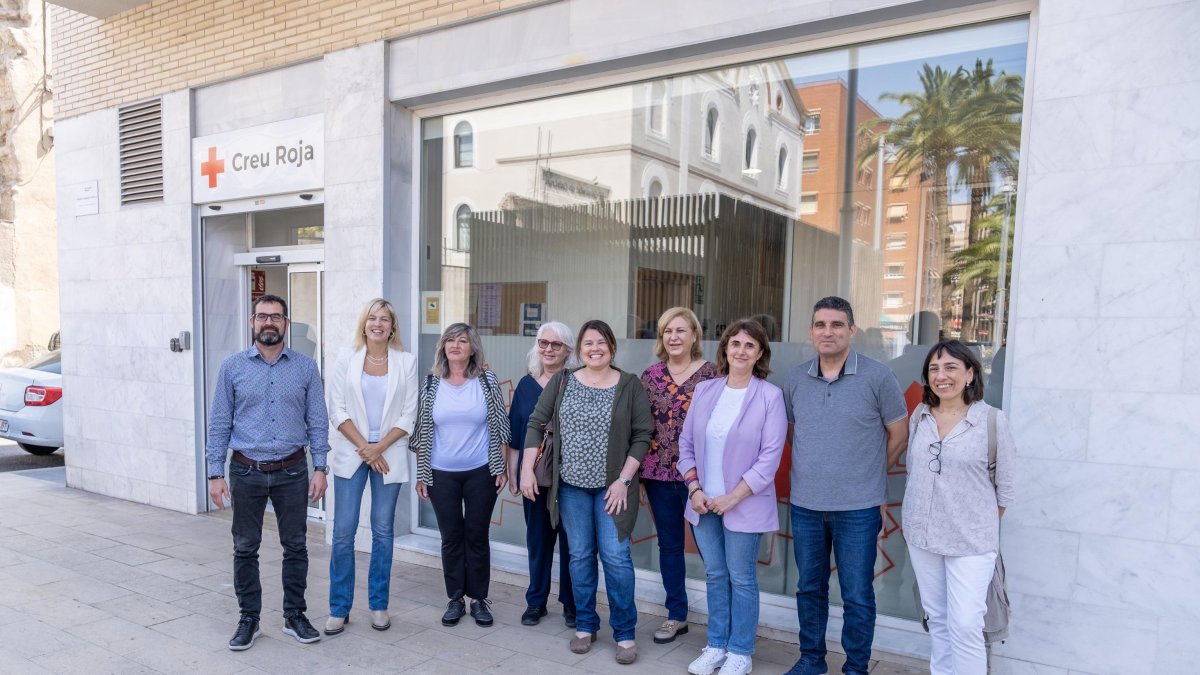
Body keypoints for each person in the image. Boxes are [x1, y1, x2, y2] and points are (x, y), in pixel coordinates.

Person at [783, 296, 908, 675]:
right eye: (820, 325)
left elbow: (899, 434)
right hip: (806, 506)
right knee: (809, 588)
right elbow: (793, 433)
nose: (828, 332)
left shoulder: (878, 377)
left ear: (852, 330)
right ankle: (811, 660)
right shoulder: (795, 379)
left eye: (837, 324)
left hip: (858, 508)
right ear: (811, 331)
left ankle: (856, 668)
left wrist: (868, 474)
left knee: (857, 594)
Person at [521, 319, 653, 665]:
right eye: (588, 343)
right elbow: (536, 422)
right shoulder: (564, 381)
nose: (595, 349)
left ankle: (624, 632)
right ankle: (585, 624)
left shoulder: (629, 385)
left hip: (613, 490)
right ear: (579, 350)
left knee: (616, 558)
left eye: (601, 342)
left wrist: (624, 480)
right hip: (571, 489)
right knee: (579, 556)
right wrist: (526, 469)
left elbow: (643, 434)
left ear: (612, 347)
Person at [206, 294, 330, 651]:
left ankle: (295, 615)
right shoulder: (232, 367)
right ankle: (249, 619)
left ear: (286, 323)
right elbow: (219, 423)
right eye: (262, 316)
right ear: (252, 322)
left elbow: (318, 420)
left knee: (296, 546)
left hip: (293, 471)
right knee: (245, 547)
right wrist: (215, 473)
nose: (269, 322)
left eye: (276, 316)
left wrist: (320, 467)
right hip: (246, 471)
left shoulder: (305, 368)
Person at [677, 319, 787, 675]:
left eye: (749, 345)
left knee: (741, 578)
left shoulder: (770, 396)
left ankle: (740, 651)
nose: (741, 350)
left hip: (744, 504)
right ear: (725, 348)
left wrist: (731, 498)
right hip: (702, 503)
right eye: (735, 343)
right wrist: (695, 489)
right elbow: (685, 445)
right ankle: (716, 645)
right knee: (715, 575)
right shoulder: (705, 390)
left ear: (760, 354)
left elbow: (769, 458)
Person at [903, 340, 1015, 674]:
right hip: (922, 537)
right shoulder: (920, 415)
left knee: (966, 625)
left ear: (970, 373)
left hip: (971, 543)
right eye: (934, 369)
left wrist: (972, 522)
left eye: (951, 367)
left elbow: (1005, 491)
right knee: (937, 620)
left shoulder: (992, 420)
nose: (941, 376)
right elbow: (913, 472)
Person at [324, 298, 418, 635]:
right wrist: (366, 448)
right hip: (353, 452)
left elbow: (409, 414)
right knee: (343, 532)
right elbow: (336, 409)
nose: (378, 324)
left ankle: (379, 605)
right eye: (372, 318)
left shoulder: (406, 361)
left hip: (389, 454)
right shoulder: (346, 357)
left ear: (392, 327)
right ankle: (339, 608)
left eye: (385, 319)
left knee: (382, 531)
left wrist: (379, 447)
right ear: (364, 324)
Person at [411, 323, 510, 628]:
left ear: (472, 348)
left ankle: (479, 599)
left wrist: (502, 466)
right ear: (443, 346)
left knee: (477, 537)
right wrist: (422, 475)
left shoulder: (486, 381)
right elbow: (422, 431)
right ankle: (455, 598)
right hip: (441, 474)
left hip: (481, 471)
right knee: (451, 537)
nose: (455, 345)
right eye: (450, 340)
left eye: (462, 341)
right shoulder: (431, 383)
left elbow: (501, 426)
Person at [639, 307, 717, 644]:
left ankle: (722, 623)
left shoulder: (713, 375)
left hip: (701, 478)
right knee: (670, 547)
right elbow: (640, 427)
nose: (674, 337)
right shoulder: (651, 376)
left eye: (681, 330)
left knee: (711, 550)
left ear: (694, 335)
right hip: (657, 475)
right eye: (667, 331)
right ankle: (676, 616)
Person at [507, 321, 580, 627]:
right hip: (533, 476)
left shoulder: (577, 383)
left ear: (568, 350)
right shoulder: (526, 385)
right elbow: (516, 435)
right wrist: (514, 473)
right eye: (543, 343)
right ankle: (536, 601)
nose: (548, 349)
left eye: (556, 344)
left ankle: (571, 603)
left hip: (571, 476)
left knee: (572, 543)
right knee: (538, 540)